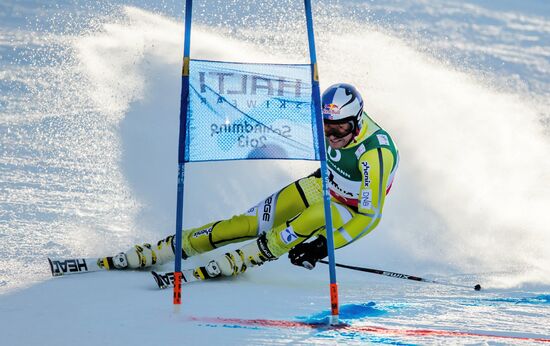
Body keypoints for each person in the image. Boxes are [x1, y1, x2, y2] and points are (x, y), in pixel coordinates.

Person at [102, 83, 399, 280]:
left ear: (357, 121)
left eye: (341, 130)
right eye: (326, 130)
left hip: (350, 207)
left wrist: (323, 247)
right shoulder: (321, 123)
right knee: (245, 224)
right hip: (322, 184)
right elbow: (277, 108)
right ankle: (172, 247)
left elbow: (370, 217)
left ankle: (249, 256)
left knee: (313, 217)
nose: (332, 138)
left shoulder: (373, 154)